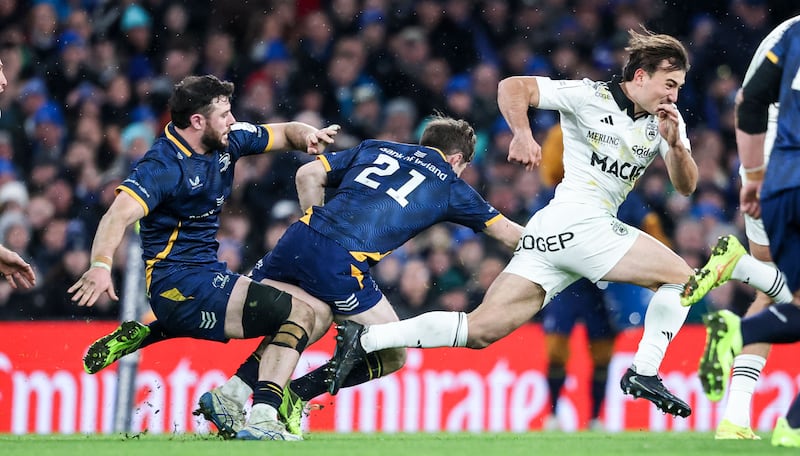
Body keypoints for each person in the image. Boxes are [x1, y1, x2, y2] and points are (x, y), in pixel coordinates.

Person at [327, 28, 792, 419]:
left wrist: (677, 145)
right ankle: (645, 370)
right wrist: (523, 133)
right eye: (669, 83)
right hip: (577, 220)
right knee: (686, 281)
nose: (675, 94)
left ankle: (372, 337)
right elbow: (513, 87)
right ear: (640, 76)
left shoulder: (665, 122)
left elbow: (686, 186)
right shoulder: (588, 96)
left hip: (557, 233)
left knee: (480, 330)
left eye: (680, 86)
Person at [83, 114, 524, 437]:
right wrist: (565, 248)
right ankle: (283, 403)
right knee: (393, 353)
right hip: (340, 261)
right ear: (455, 158)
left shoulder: (378, 147)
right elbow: (509, 234)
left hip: (300, 238)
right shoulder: (450, 181)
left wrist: (314, 218)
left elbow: (308, 171)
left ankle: (228, 393)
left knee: (291, 316)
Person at [69, 74, 342, 441]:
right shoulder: (163, 166)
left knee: (319, 315)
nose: (233, 121)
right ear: (197, 121)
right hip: (175, 282)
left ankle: (228, 396)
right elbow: (117, 215)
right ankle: (262, 419)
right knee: (297, 314)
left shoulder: (228, 139)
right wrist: (101, 266)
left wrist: (308, 135)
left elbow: (286, 132)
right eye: (225, 114)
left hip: (207, 273)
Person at [693, 17, 800, 448]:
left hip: (770, 173)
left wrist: (752, 174)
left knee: (776, 292)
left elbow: (748, 100)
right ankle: (792, 425)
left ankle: (737, 417)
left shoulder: (788, 32)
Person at [538, 124, 672, 431]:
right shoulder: (558, 192)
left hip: (607, 285)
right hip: (567, 282)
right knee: (556, 349)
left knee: (602, 354)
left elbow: (648, 229)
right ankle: (554, 414)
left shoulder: (622, 195)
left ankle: (596, 418)